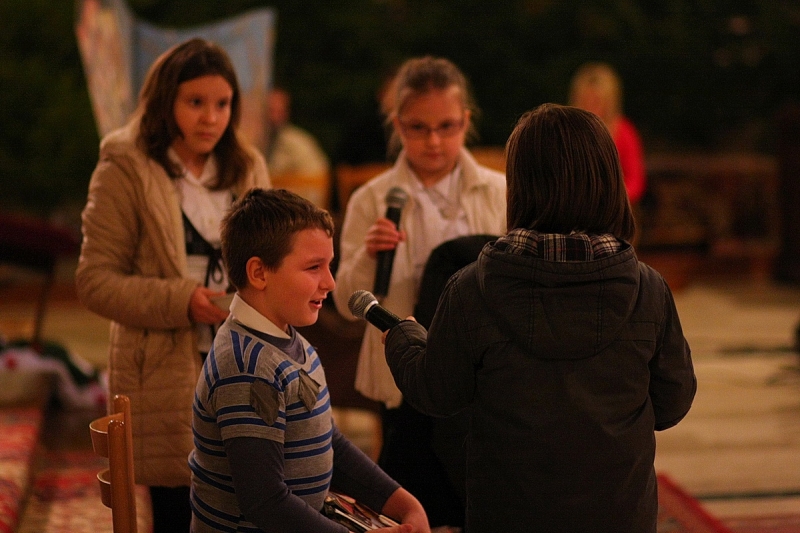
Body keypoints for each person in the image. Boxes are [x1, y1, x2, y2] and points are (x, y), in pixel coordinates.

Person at [383, 104, 697, 533]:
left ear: (521, 186)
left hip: (509, 514)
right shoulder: (648, 290)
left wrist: (403, 339)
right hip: (620, 516)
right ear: (608, 183)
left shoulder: (473, 287)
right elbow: (672, 401)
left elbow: (438, 394)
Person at [75, 38, 270, 532]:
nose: (210, 118)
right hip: (164, 367)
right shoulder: (127, 165)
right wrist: (181, 300)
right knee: (179, 512)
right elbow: (94, 281)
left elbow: (275, 258)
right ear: (167, 103)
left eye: (222, 104)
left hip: (242, 355)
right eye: (195, 103)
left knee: (253, 499)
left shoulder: (246, 167)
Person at [189, 188, 429, 533]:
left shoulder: (287, 341)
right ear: (259, 273)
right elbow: (265, 502)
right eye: (314, 267)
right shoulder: (248, 367)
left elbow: (330, 442)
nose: (330, 283)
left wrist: (404, 503)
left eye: (329, 266)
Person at [332, 55, 506, 529]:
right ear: (397, 125)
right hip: (402, 373)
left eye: (447, 127)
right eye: (419, 128)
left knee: (479, 496)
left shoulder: (498, 191)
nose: (433, 141)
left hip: (479, 373)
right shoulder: (373, 197)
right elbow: (344, 301)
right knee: (411, 501)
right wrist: (369, 254)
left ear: (466, 122)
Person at [569, 61, 647, 205]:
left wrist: (610, 200)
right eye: (585, 100)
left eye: (596, 101)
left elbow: (635, 182)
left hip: (612, 212)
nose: (590, 106)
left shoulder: (624, 132)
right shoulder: (567, 132)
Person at [266, 86, 330, 177]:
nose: (274, 117)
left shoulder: (293, 140)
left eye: (279, 111)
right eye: (271, 110)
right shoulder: (267, 140)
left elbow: (275, 171)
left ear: (286, 113)